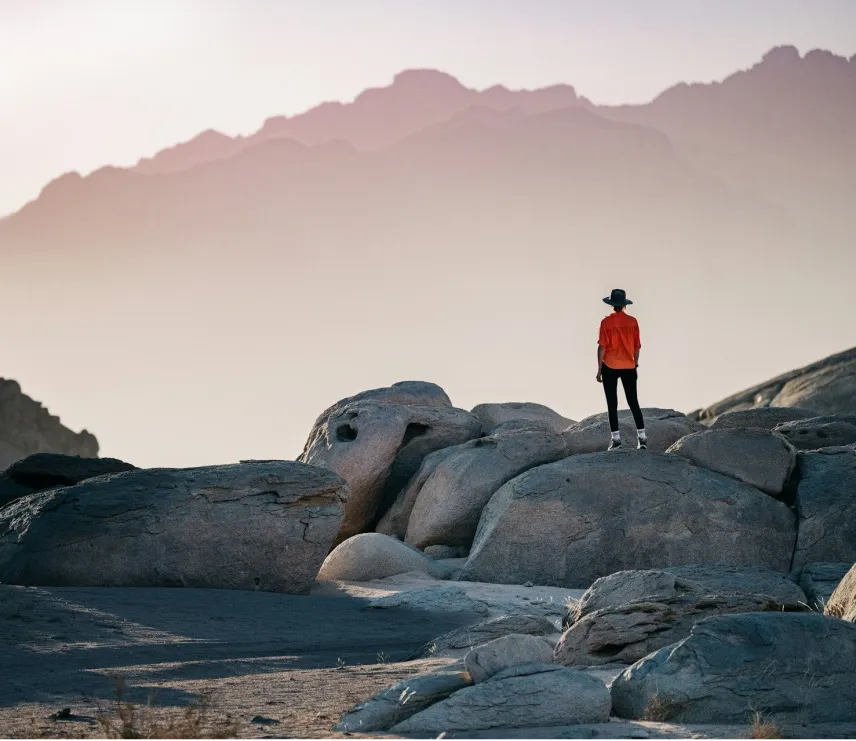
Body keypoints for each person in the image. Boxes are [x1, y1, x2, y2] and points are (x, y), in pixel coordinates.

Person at [596, 289, 646, 451]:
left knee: (612, 403)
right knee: (634, 402)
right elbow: (637, 347)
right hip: (629, 366)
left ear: (612, 305)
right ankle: (642, 438)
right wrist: (635, 363)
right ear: (624, 305)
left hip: (610, 366)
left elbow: (602, 347)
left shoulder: (606, 323)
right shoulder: (632, 321)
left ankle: (616, 440)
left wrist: (599, 369)